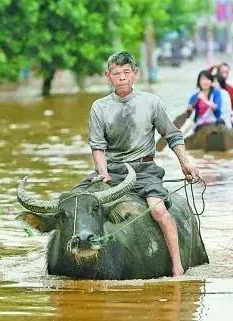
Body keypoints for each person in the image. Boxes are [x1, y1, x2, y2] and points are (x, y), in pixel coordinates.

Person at [75, 51, 199, 276]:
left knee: (159, 210)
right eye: (116, 73)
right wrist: (102, 172)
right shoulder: (99, 107)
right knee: (74, 203)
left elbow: (172, 135)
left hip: (144, 171)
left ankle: (177, 266)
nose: (121, 77)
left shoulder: (151, 102)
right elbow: (97, 146)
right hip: (112, 170)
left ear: (135, 74)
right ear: (108, 76)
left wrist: (185, 163)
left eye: (126, 72)